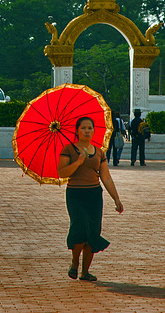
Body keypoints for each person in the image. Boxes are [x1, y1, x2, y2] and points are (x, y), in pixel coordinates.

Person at [58, 117, 124, 282]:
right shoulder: (69, 149)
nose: (87, 131)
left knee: (93, 232)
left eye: (90, 128)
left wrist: (116, 198)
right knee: (79, 228)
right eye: (83, 128)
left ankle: (85, 271)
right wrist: (79, 161)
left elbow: (106, 177)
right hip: (75, 194)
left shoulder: (99, 152)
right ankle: (74, 263)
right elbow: (62, 172)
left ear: (94, 131)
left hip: (94, 195)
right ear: (77, 130)